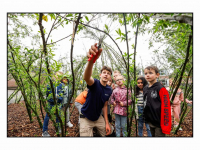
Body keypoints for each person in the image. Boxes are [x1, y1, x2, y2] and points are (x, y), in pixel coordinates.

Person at [80, 43, 112, 137]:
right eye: (104, 72)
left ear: (110, 77)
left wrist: (106, 123)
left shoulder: (109, 90)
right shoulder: (95, 83)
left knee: (108, 133)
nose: (106, 74)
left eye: (108, 73)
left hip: (98, 118)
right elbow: (86, 77)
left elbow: (105, 106)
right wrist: (91, 61)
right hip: (86, 117)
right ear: (100, 75)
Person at [143, 66, 171, 137]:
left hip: (159, 122)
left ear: (157, 75)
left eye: (150, 73)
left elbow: (166, 107)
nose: (147, 75)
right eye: (146, 73)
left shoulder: (161, 89)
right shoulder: (145, 88)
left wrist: (165, 124)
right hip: (150, 120)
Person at [42, 71, 64, 137]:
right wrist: (51, 99)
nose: (59, 77)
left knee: (58, 116)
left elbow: (62, 94)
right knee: (47, 117)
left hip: (58, 104)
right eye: (58, 75)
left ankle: (57, 128)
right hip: (51, 104)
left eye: (60, 76)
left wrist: (59, 99)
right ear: (54, 76)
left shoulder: (61, 85)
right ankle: (44, 131)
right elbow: (47, 94)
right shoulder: (50, 84)